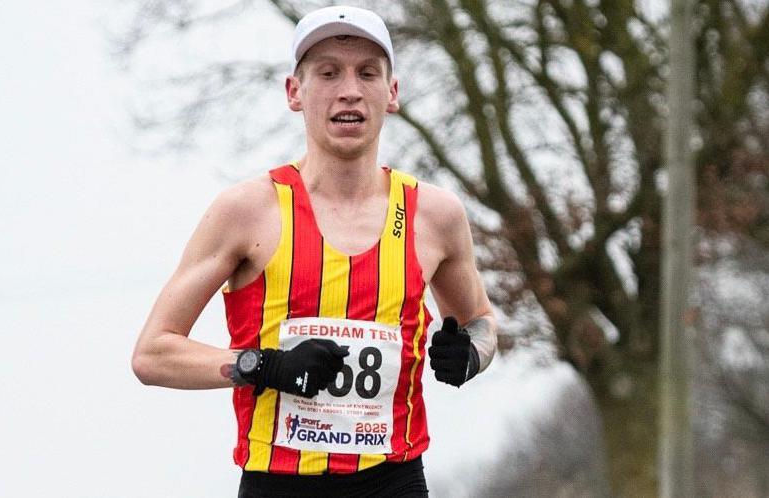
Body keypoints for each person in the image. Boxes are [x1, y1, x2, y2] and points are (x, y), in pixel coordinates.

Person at [132, 5, 498, 497]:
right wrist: (261, 366)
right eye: (328, 72)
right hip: (279, 483)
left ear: (391, 94)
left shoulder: (434, 214)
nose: (349, 89)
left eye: (367, 73)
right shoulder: (247, 210)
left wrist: (470, 354)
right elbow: (153, 354)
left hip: (392, 481)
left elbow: (480, 322)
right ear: (294, 92)